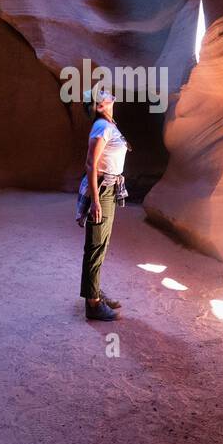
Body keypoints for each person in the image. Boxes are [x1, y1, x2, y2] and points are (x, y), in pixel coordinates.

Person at [76, 88, 129, 320]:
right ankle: (93, 304)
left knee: (101, 243)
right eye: (103, 94)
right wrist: (95, 201)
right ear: (100, 106)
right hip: (103, 190)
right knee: (96, 244)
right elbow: (91, 164)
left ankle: (94, 290)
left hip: (110, 187)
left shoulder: (108, 125)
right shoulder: (101, 127)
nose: (108, 93)